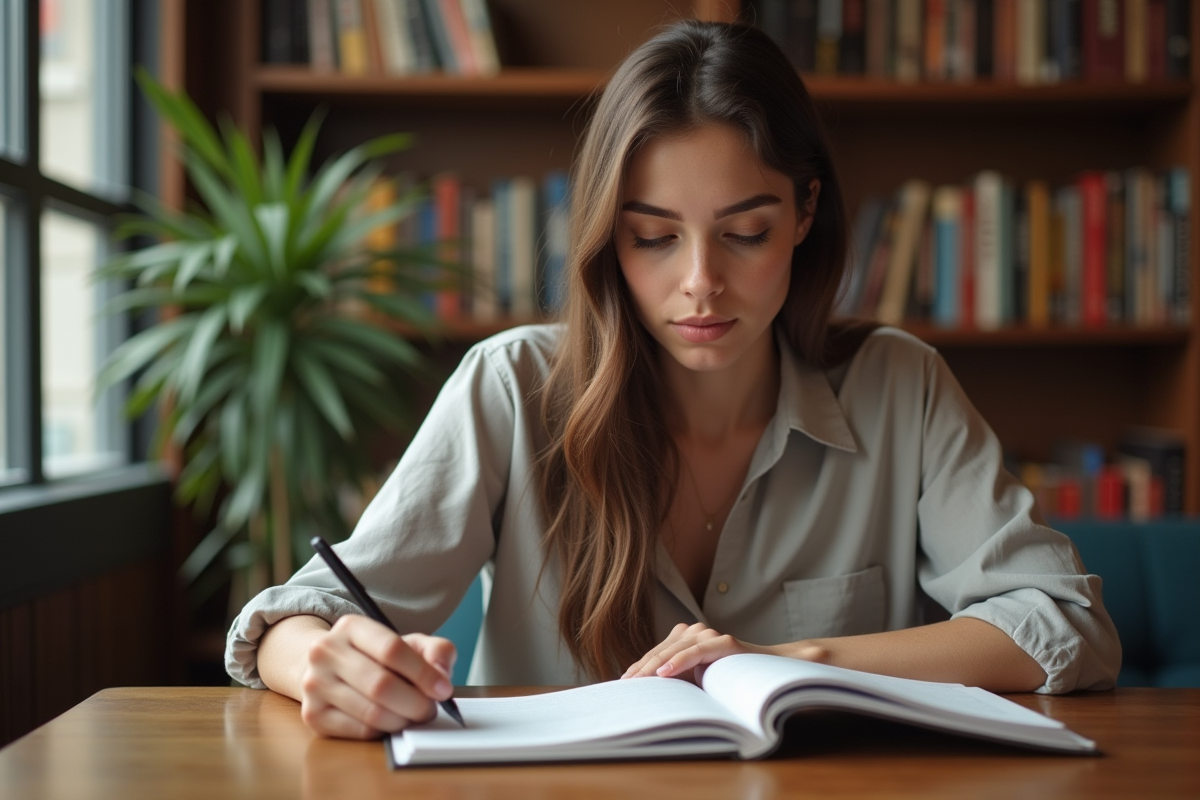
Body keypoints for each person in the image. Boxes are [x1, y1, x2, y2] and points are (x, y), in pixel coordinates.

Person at [226, 20, 1121, 740]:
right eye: (654, 236)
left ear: (806, 213)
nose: (700, 281)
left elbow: (1065, 625)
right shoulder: (511, 387)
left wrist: (790, 659)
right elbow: (297, 615)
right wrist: (321, 663)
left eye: (746, 231)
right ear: (607, 234)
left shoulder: (901, 386)